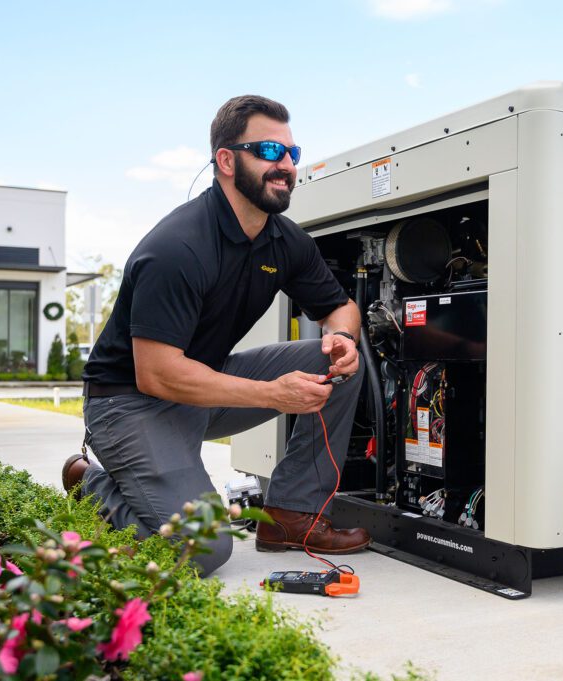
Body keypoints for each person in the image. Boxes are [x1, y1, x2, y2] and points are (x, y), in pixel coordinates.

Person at [67, 95, 370, 575]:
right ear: (226, 161)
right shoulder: (177, 248)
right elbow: (158, 374)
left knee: (334, 364)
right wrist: (272, 393)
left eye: (293, 152)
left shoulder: (284, 239)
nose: (287, 165)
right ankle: (90, 482)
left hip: (201, 387)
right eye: (270, 151)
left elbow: (341, 308)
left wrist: (343, 339)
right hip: (129, 403)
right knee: (203, 550)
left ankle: (292, 514)